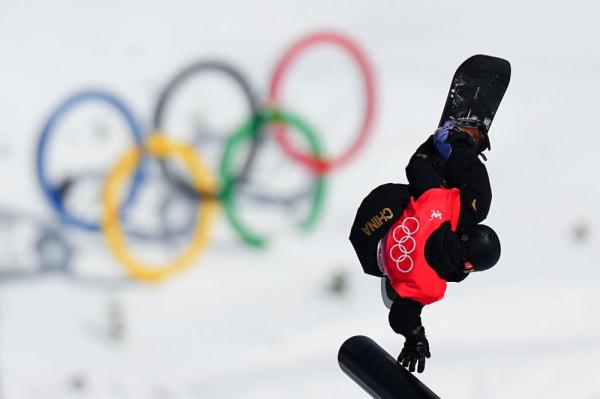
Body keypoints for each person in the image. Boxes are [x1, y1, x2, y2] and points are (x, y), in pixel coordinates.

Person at [349, 118, 501, 374]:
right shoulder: (429, 287)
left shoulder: (438, 206)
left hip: (379, 210)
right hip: (369, 252)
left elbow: (415, 164)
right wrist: (415, 337)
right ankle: (397, 280)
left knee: (475, 203)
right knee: (411, 300)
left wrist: (433, 148)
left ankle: (452, 140)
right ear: (469, 265)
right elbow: (398, 320)